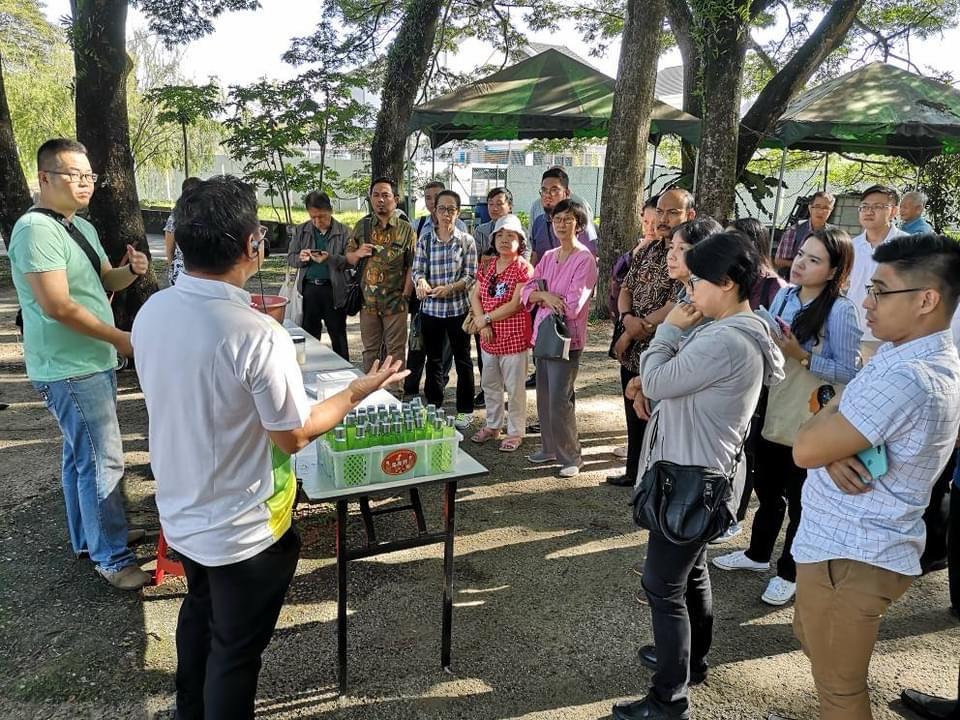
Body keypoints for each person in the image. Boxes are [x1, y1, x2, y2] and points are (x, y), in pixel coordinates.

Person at [132, 175, 407, 720]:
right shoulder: (256, 333)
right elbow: (295, 433)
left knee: (200, 617)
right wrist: (354, 392)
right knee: (235, 654)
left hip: (183, 513)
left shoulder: (152, 312)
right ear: (251, 244)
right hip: (242, 528)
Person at [779, 234, 960, 720]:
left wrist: (825, 443)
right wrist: (832, 443)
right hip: (843, 544)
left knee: (840, 692)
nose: (867, 301)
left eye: (881, 290)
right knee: (816, 645)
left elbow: (805, 447)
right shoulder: (904, 357)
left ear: (927, 300)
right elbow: (827, 421)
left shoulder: (908, 375)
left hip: (854, 551)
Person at [613, 232, 784, 720]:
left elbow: (663, 379)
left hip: (692, 475)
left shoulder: (728, 338)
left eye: (697, 284)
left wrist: (665, 333)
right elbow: (670, 382)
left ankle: (669, 695)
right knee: (692, 572)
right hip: (704, 469)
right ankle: (691, 661)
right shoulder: (733, 327)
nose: (689, 296)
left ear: (728, 283)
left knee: (661, 585)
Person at [9, 138, 151, 591]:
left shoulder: (77, 227)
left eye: (89, 176)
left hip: (92, 359)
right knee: (103, 461)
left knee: (80, 458)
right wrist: (121, 339)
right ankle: (112, 556)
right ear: (45, 177)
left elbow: (105, 278)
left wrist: (132, 270)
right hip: (68, 366)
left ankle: (91, 537)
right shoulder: (35, 230)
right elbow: (57, 306)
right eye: (74, 175)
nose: (85, 183)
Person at [713, 228, 861, 607]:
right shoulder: (784, 295)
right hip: (776, 407)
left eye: (814, 260)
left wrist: (802, 355)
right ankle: (757, 554)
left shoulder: (841, 311)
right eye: (801, 255)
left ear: (833, 271)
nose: (801, 263)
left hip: (811, 415)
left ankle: (789, 571)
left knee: (801, 497)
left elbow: (849, 372)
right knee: (768, 487)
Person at [606, 189, 695, 488]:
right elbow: (626, 289)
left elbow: (677, 302)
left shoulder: (692, 255)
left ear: (689, 216)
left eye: (673, 212)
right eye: (660, 211)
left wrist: (640, 326)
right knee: (633, 415)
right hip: (632, 347)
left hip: (664, 349)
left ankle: (653, 480)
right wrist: (627, 320)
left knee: (658, 418)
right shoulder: (648, 249)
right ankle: (633, 471)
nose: (663, 218)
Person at [522, 199, 598, 478]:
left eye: (568, 219)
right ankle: (549, 448)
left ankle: (571, 457)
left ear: (579, 224)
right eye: (557, 220)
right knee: (543, 395)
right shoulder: (548, 255)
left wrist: (546, 297)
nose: (562, 225)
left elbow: (574, 304)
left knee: (559, 398)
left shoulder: (585, 259)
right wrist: (544, 296)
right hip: (543, 335)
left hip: (566, 338)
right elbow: (527, 290)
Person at [413, 189, 478, 429]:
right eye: (442, 209)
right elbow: (417, 270)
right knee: (434, 360)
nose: (446, 214)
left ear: (458, 212)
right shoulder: (426, 239)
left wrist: (450, 288)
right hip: (431, 310)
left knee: (463, 360)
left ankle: (465, 410)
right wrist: (421, 281)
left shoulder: (466, 241)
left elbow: (471, 276)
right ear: (435, 211)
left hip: (458, 310)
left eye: (451, 209)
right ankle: (434, 405)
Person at [468, 214, 533, 452]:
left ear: (520, 241)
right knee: (490, 383)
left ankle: (515, 431)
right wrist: (482, 324)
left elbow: (516, 303)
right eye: (500, 235)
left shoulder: (523, 268)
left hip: (513, 338)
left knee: (515, 388)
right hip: (488, 337)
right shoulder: (487, 265)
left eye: (511, 236)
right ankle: (493, 424)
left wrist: (485, 318)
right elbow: (475, 295)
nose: (505, 240)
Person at [345, 177, 416, 376]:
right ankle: (370, 395)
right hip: (368, 303)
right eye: (375, 195)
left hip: (396, 302)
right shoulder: (363, 226)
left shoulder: (406, 230)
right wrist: (358, 253)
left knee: (395, 352)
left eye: (385, 195)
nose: (380, 200)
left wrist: (406, 295)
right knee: (370, 351)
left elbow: (412, 265)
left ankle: (395, 395)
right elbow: (348, 258)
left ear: (396, 198)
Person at [845, 184, 909, 362]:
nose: (869, 211)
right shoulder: (850, 246)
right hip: (851, 331)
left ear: (894, 211)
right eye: (864, 206)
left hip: (890, 336)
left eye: (878, 207)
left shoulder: (908, 247)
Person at [286, 191, 351, 360]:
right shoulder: (302, 230)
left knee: (338, 334)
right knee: (309, 335)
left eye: (321, 216)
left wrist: (330, 258)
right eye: (313, 217)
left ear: (330, 211)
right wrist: (301, 259)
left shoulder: (344, 232)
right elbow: (291, 257)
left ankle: (344, 370)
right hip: (309, 289)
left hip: (333, 289)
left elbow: (350, 261)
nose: (317, 221)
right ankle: (310, 370)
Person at [471, 186, 516, 407]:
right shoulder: (481, 230)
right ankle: (487, 391)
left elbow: (521, 262)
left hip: (510, 304)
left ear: (510, 206)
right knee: (484, 348)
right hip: (486, 299)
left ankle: (508, 392)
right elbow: (478, 261)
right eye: (490, 204)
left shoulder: (518, 230)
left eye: (499, 203)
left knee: (511, 356)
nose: (494, 208)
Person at [528, 167, 598, 266]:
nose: (548, 195)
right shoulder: (538, 223)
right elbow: (535, 257)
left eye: (554, 190)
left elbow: (590, 260)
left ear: (567, 193)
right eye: (544, 190)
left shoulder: (580, 223)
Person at [729, 217, 787, 311]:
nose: (723, 245)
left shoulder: (774, 286)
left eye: (730, 240)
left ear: (751, 245)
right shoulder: (729, 278)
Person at [774, 191, 835, 278]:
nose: (820, 212)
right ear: (810, 208)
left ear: (831, 210)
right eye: (817, 207)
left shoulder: (834, 235)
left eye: (826, 208)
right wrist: (805, 266)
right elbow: (779, 260)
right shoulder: (795, 231)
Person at [164, 176, 201, 286]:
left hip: (183, 272)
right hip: (193, 272)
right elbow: (170, 249)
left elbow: (169, 249)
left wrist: (173, 267)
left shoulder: (175, 216)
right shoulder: (176, 217)